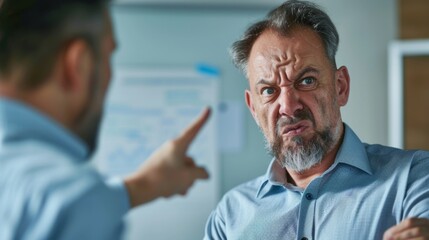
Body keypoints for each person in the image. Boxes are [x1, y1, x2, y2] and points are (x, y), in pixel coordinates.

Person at [204, 1, 429, 240]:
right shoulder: (229, 217)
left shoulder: (413, 179)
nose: (288, 107)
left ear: (340, 87)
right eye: (269, 91)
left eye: (307, 81)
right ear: (253, 108)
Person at [0, 0, 211, 239]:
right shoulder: (71, 198)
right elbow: (70, 202)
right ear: (77, 65)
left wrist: (145, 185)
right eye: (108, 57)